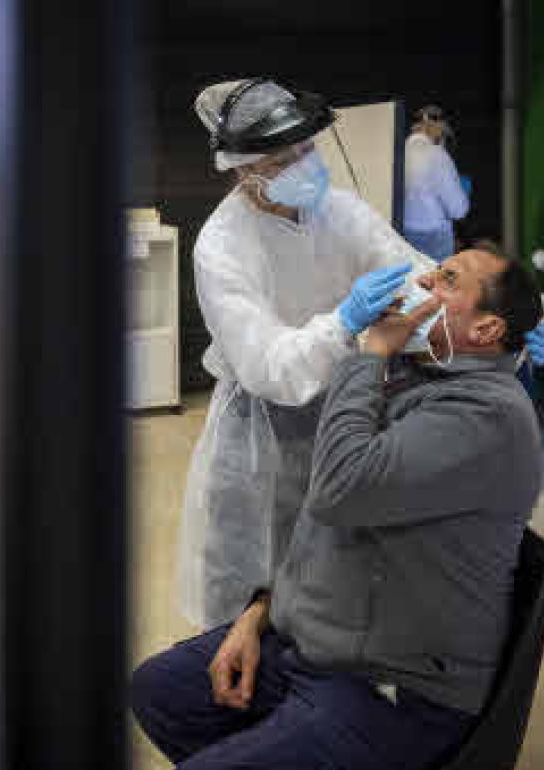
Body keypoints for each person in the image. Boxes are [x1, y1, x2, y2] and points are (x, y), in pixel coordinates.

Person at [133, 243, 544, 770]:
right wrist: (260, 615)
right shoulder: (420, 378)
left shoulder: (487, 416)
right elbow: (318, 525)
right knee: (159, 692)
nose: (423, 285)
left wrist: (368, 356)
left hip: (393, 686)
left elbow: (340, 486)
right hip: (323, 645)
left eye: (447, 280)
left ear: (486, 331)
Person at [179, 77, 440, 629]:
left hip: (345, 414)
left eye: (307, 149)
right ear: (241, 169)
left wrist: (503, 316)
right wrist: (345, 322)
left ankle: (322, 696)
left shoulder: (339, 211)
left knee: (336, 584)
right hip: (260, 435)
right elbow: (269, 369)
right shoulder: (222, 247)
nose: (305, 165)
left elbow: (414, 275)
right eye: (283, 158)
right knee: (249, 587)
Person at [402, 105, 470, 262]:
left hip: (402, 236)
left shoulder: (396, 151)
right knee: (434, 284)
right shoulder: (437, 155)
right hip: (434, 241)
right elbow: (458, 210)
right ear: (434, 125)